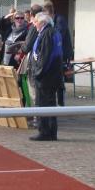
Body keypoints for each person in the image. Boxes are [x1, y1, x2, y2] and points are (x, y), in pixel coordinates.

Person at [29, 12, 63, 141]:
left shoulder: (47, 34)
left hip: (46, 78)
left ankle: (45, 132)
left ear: (42, 22)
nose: (34, 24)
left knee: (43, 104)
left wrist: (38, 73)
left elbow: (45, 57)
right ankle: (50, 132)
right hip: (52, 76)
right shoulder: (53, 32)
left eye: (36, 22)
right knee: (50, 104)